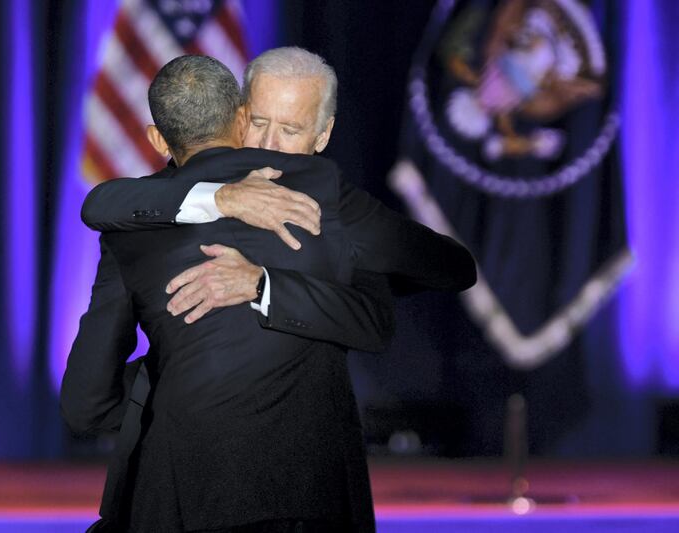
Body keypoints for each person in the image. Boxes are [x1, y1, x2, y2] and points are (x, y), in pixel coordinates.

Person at [63, 54, 475, 532]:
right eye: (260, 123)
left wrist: (267, 286)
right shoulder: (143, 211)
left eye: (290, 130)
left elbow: (85, 403)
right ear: (240, 117)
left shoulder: (323, 198)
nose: (268, 145)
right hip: (295, 498)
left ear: (323, 136)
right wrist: (220, 197)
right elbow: (100, 202)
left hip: (192, 496)